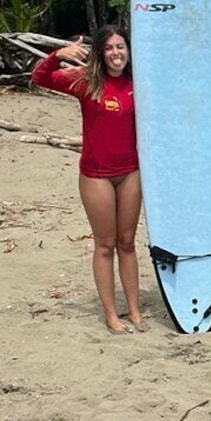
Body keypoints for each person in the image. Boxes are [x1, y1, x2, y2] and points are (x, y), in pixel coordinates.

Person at [31, 25, 147, 335]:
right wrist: (58, 55)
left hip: (131, 173)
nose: (116, 53)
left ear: (129, 50)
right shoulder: (86, 80)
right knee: (105, 245)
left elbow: (187, 86)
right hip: (96, 176)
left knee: (127, 243)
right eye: (109, 48)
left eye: (120, 46)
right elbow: (40, 78)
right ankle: (111, 314)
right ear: (100, 52)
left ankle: (134, 309)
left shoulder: (142, 82)